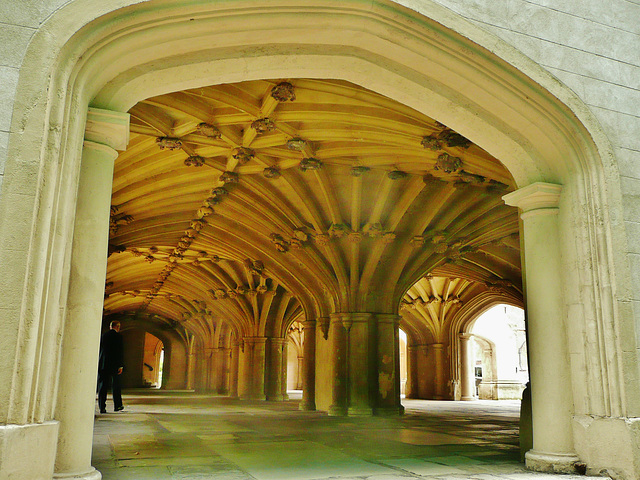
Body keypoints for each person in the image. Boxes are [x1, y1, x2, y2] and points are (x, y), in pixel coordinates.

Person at [98, 320, 125, 413]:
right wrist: (120, 365)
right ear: (117, 327)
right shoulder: (119, 337)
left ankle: (102, 407)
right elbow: (120, 352)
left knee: (102, 386)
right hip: (115, 365)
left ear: (110, 327)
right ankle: (117, 405)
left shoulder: (103, 336)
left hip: (103, 364)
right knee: (116, 386)